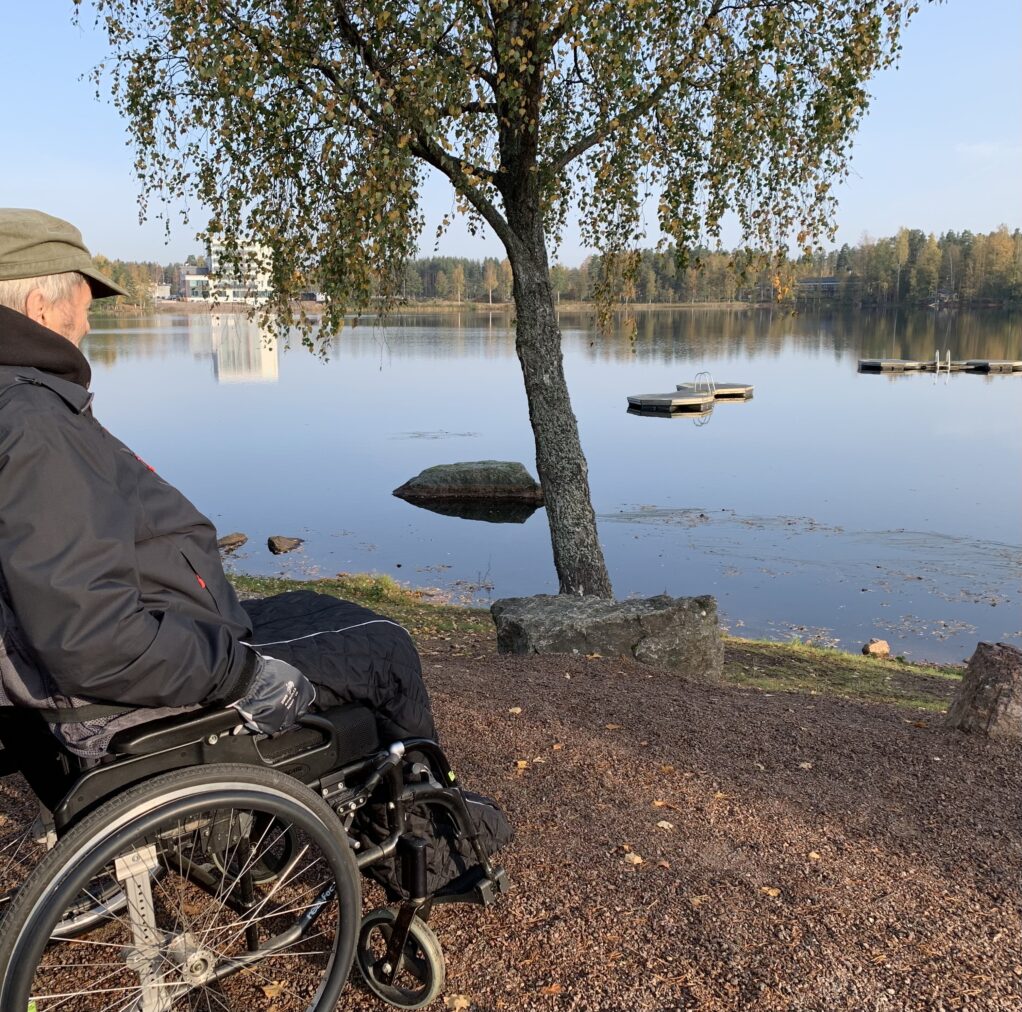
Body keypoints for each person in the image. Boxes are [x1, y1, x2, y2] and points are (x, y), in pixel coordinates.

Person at [0, 208, 437, 758]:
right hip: (136, 688)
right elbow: (90, 636)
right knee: (385, 648)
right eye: (85, 308)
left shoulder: (24, 405)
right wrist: (240, 676)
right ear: (40, 307)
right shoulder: (36, 424)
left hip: (165, 639)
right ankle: (429, 807)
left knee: (322, 607)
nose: (87, 326)